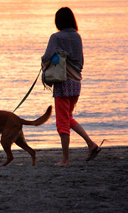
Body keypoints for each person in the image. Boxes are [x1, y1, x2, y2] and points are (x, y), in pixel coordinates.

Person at [41, 7, 100, 166]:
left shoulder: (56, 37)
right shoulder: (77, 37)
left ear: (58, 21)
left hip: (62, 83)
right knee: (68, 118)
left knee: (62, 122)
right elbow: (80, 61)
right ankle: (91, 144)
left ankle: (65, 160)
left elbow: (47, 56)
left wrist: (44, 63)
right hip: (76, 83)